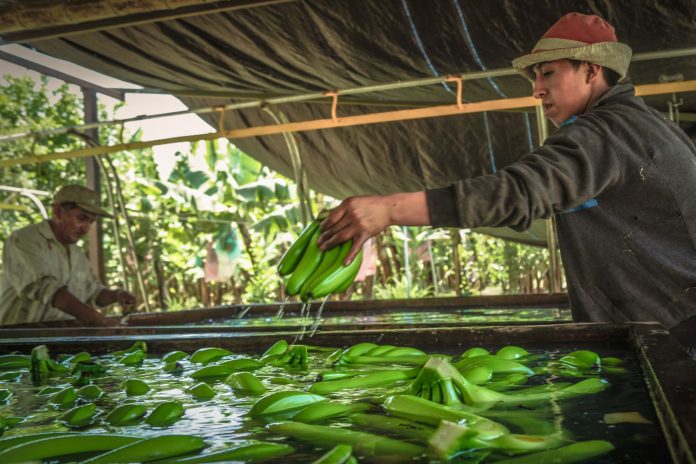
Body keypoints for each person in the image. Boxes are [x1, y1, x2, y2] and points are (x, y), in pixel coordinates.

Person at [317, 13, 696, 354]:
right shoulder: (648, 127)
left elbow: (518, 192)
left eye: (548, 73)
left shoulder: (603, 133)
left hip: (675, 337)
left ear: (591, 71)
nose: (536, 90)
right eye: (535, 77)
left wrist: (388, 210)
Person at [0, 184, 136, 326]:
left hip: (55, 335)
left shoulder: (77, 254)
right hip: (15, 334)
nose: (86, 228)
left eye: (91, 222)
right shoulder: (25, 239)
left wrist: (116, 295)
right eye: (82, 218)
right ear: (58, 212)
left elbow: (93, 293)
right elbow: (47, 289)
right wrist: (97, 319)